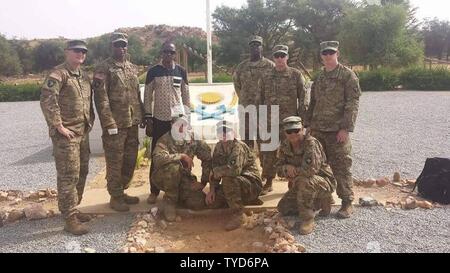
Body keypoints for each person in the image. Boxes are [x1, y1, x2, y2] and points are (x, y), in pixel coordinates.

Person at [40, 40, 94, 235]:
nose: (80, 54)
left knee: (82, 172)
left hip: (82, 132)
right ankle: (69, 219)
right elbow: (47, 99)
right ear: (67, 52)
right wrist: (58, 125)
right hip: (67, 136)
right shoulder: (58, 74)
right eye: (76, 51)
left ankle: (74, 208)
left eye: (83, 51)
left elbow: (88, 102)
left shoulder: (84, 76)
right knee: (68, 176)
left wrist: (90, 122)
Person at [304, 41, 362, 219]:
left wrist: (345, 128)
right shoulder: (319, 77)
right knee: (318, 167)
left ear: (337, 53)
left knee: (341, 166)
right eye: (325, 53)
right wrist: (308, 125)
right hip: (318, 130)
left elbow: (352, 103)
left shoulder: (347, 75)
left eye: (331, 52)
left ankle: (346, 202)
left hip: (337, 131)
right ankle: (324, 200)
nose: (328, 56)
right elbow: (313, 102)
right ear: (321, 55)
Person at [93, 32, 143, 212]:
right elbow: (101, 99)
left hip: (132, 122)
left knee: (130, 159)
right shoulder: (103, 68)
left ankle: (122, 192)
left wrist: (142, 115)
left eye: (124, 45)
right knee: (115, 161)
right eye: (117, 45)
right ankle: (115, 197)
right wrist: (108, 123)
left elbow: (137, 94)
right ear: (111, 47)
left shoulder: (131, 67)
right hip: (116, 124)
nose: (121, 48)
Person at [143, 42, 190, 205]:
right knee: (157, 156)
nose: (168, 55)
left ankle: (183, 188)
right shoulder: (153, 72)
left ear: (175, 54)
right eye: (165, 52)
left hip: (178, 120)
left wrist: (186, 119)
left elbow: (186, 97)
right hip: (159, 120)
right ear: (161, 53)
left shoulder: (181, 71)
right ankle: (154, 191)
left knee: (182, 153)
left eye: (171, 52)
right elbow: (147, 96)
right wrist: (148, 119)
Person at [259, 45, 308, 195]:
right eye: (277, 56)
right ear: (273, 58)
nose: (280, 59)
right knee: (268, 153)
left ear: (287, 57)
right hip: (270, 121)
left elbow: (303, 99)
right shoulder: (266, 76)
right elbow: (260, 99)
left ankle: (292, 181)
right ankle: (268, 182)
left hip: (290, 123)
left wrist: (302, 122)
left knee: (292, 152)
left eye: (282, 55)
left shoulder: (296, 75)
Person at [276, 116, 336, 235]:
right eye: (289, 131)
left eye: (296, 130)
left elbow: (310, 171)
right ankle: (320, 201)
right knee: (283, 208)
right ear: (285, 132)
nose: (293, 134)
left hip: (323, 181)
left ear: (302, 129)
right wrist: (285, 168)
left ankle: (307, 218)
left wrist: (292, 171)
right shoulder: (284, 145)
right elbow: (277, 168)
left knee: (304, 180)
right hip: (300, 183)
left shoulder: (311, 144)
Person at [151, 116, 212, 222]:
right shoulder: (165, 139)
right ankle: (170, 201)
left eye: (183, 125)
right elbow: (157, 158)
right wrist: (181, 156)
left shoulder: (193, 138)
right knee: (174, 167)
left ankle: (180, 195)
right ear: (171, 125)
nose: (181, 128)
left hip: (184, 177)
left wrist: (203, 182)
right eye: (178, 125)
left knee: (198, 203)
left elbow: (208, 157)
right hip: (165, 176)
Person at [206, 121, 263, 231]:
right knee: (212, 202)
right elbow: (214, 170)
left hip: (251, 185)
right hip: (237, 184)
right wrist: (212, 190)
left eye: (226, 131)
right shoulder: (218, 147)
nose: (223, 134)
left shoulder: (238, 147)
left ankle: (238, 215)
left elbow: (234, 171)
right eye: (220, 131)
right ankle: (243, 201)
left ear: (233, 133)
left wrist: (215, 172)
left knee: (228, 179)